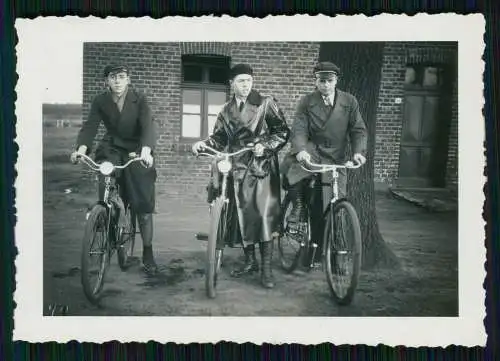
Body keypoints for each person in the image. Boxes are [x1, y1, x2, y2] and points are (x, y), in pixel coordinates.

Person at [192, 63, 290, 289]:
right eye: (241, 81)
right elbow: (218, 138)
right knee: (241, 215)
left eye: (248, 80)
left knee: (263, 216)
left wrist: (264, 146)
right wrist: (203, 145)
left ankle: (266, 269)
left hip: (260, 167)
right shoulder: (226, 110)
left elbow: (283, 132)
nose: (246, 85)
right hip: (236, 167)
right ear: (232, 84)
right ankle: (250, 261)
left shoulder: (266, 103)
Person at [70, 64, 159, 276]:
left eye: (121, 77)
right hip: (112, 147)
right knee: (105, 174)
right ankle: (105, 216)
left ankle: (148, 252)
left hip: (137, 149)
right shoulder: (101, 101)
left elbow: (148, 126)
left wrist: (146, 151)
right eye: (112, 77)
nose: (117, 81)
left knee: (143, 205)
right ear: (106, 81)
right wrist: (81, 150)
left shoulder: (140, 99)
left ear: (128, 79)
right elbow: (90, 126)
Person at [281, 61, 368, 251]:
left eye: (329, 80)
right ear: (316, 81)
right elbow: (299, 128)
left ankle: (334, 255)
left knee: (335, 203)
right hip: (313, 151)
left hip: (337, 157)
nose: (325, 85)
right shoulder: (307, 101)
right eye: (321, 81)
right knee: (293, 170)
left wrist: (358, 152)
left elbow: (358, 130)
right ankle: (297, 206)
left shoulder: (349, 102)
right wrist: (301, 150)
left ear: (336, 80)